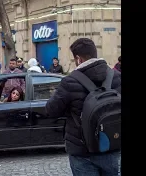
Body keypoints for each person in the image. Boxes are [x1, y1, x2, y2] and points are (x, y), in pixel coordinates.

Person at [45, 38, 121, 176]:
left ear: (78, 59)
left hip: (82, 150)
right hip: (112, 145)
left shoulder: (69, 82)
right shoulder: (116, 77)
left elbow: (51, 110)